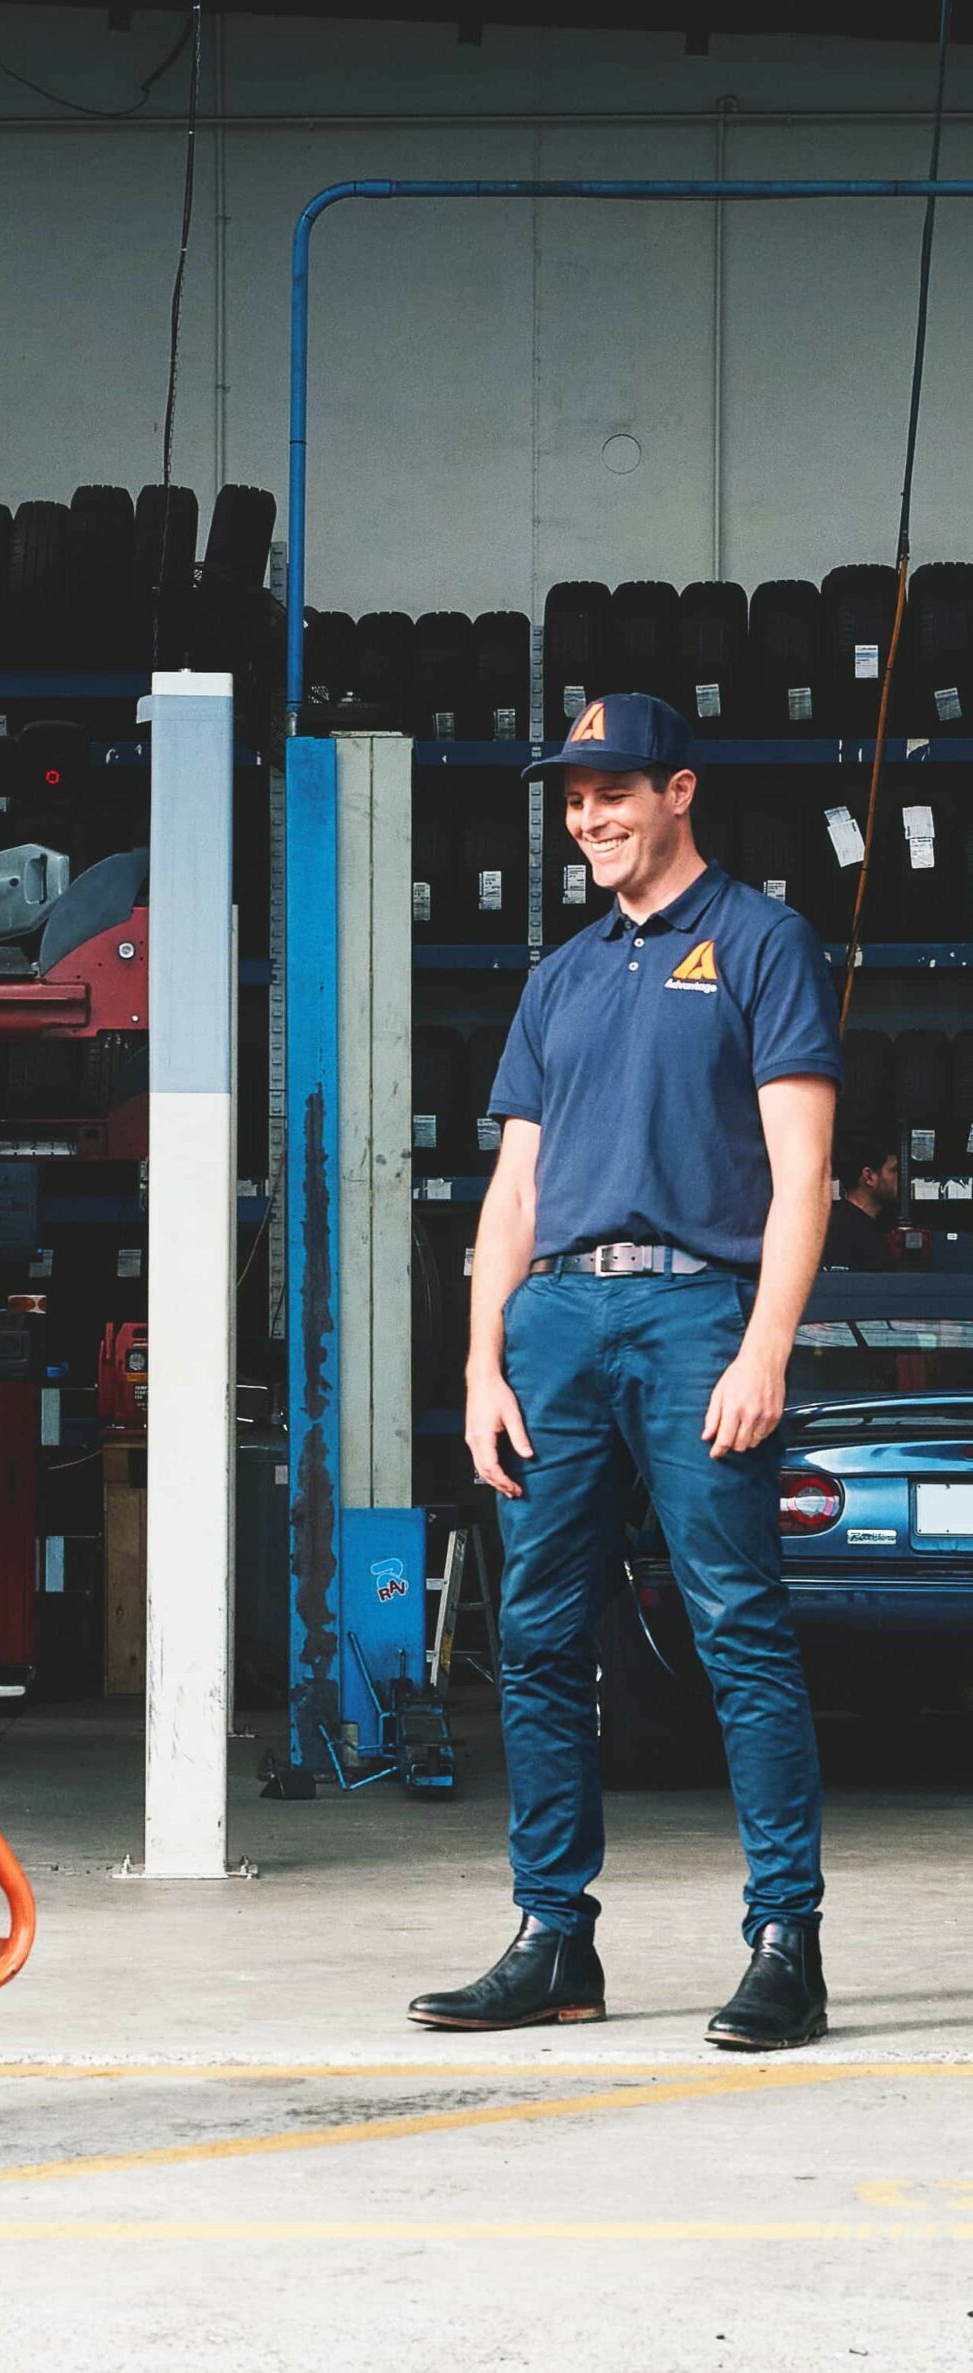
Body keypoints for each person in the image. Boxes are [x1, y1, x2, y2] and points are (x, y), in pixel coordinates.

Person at [413, 692, 840, 2052]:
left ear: (679, 792)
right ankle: (554, 1940)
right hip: (554, 1326)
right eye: (574, 798)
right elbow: (514, 1190)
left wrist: (764, 1346)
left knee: (736, 1627)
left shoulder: (761, 943)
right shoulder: (562, 977)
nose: (588, 817)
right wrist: (481, 1364)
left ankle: (785, 1943)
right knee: (538, 1638)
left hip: (695, 1317)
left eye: (613, 792)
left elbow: (803, 1174)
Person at [821, 1123, 900, 1271]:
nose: (903, 1179)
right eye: (895, 1170)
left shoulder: (870, 1226)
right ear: (869, 1177)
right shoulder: (843, 1231)